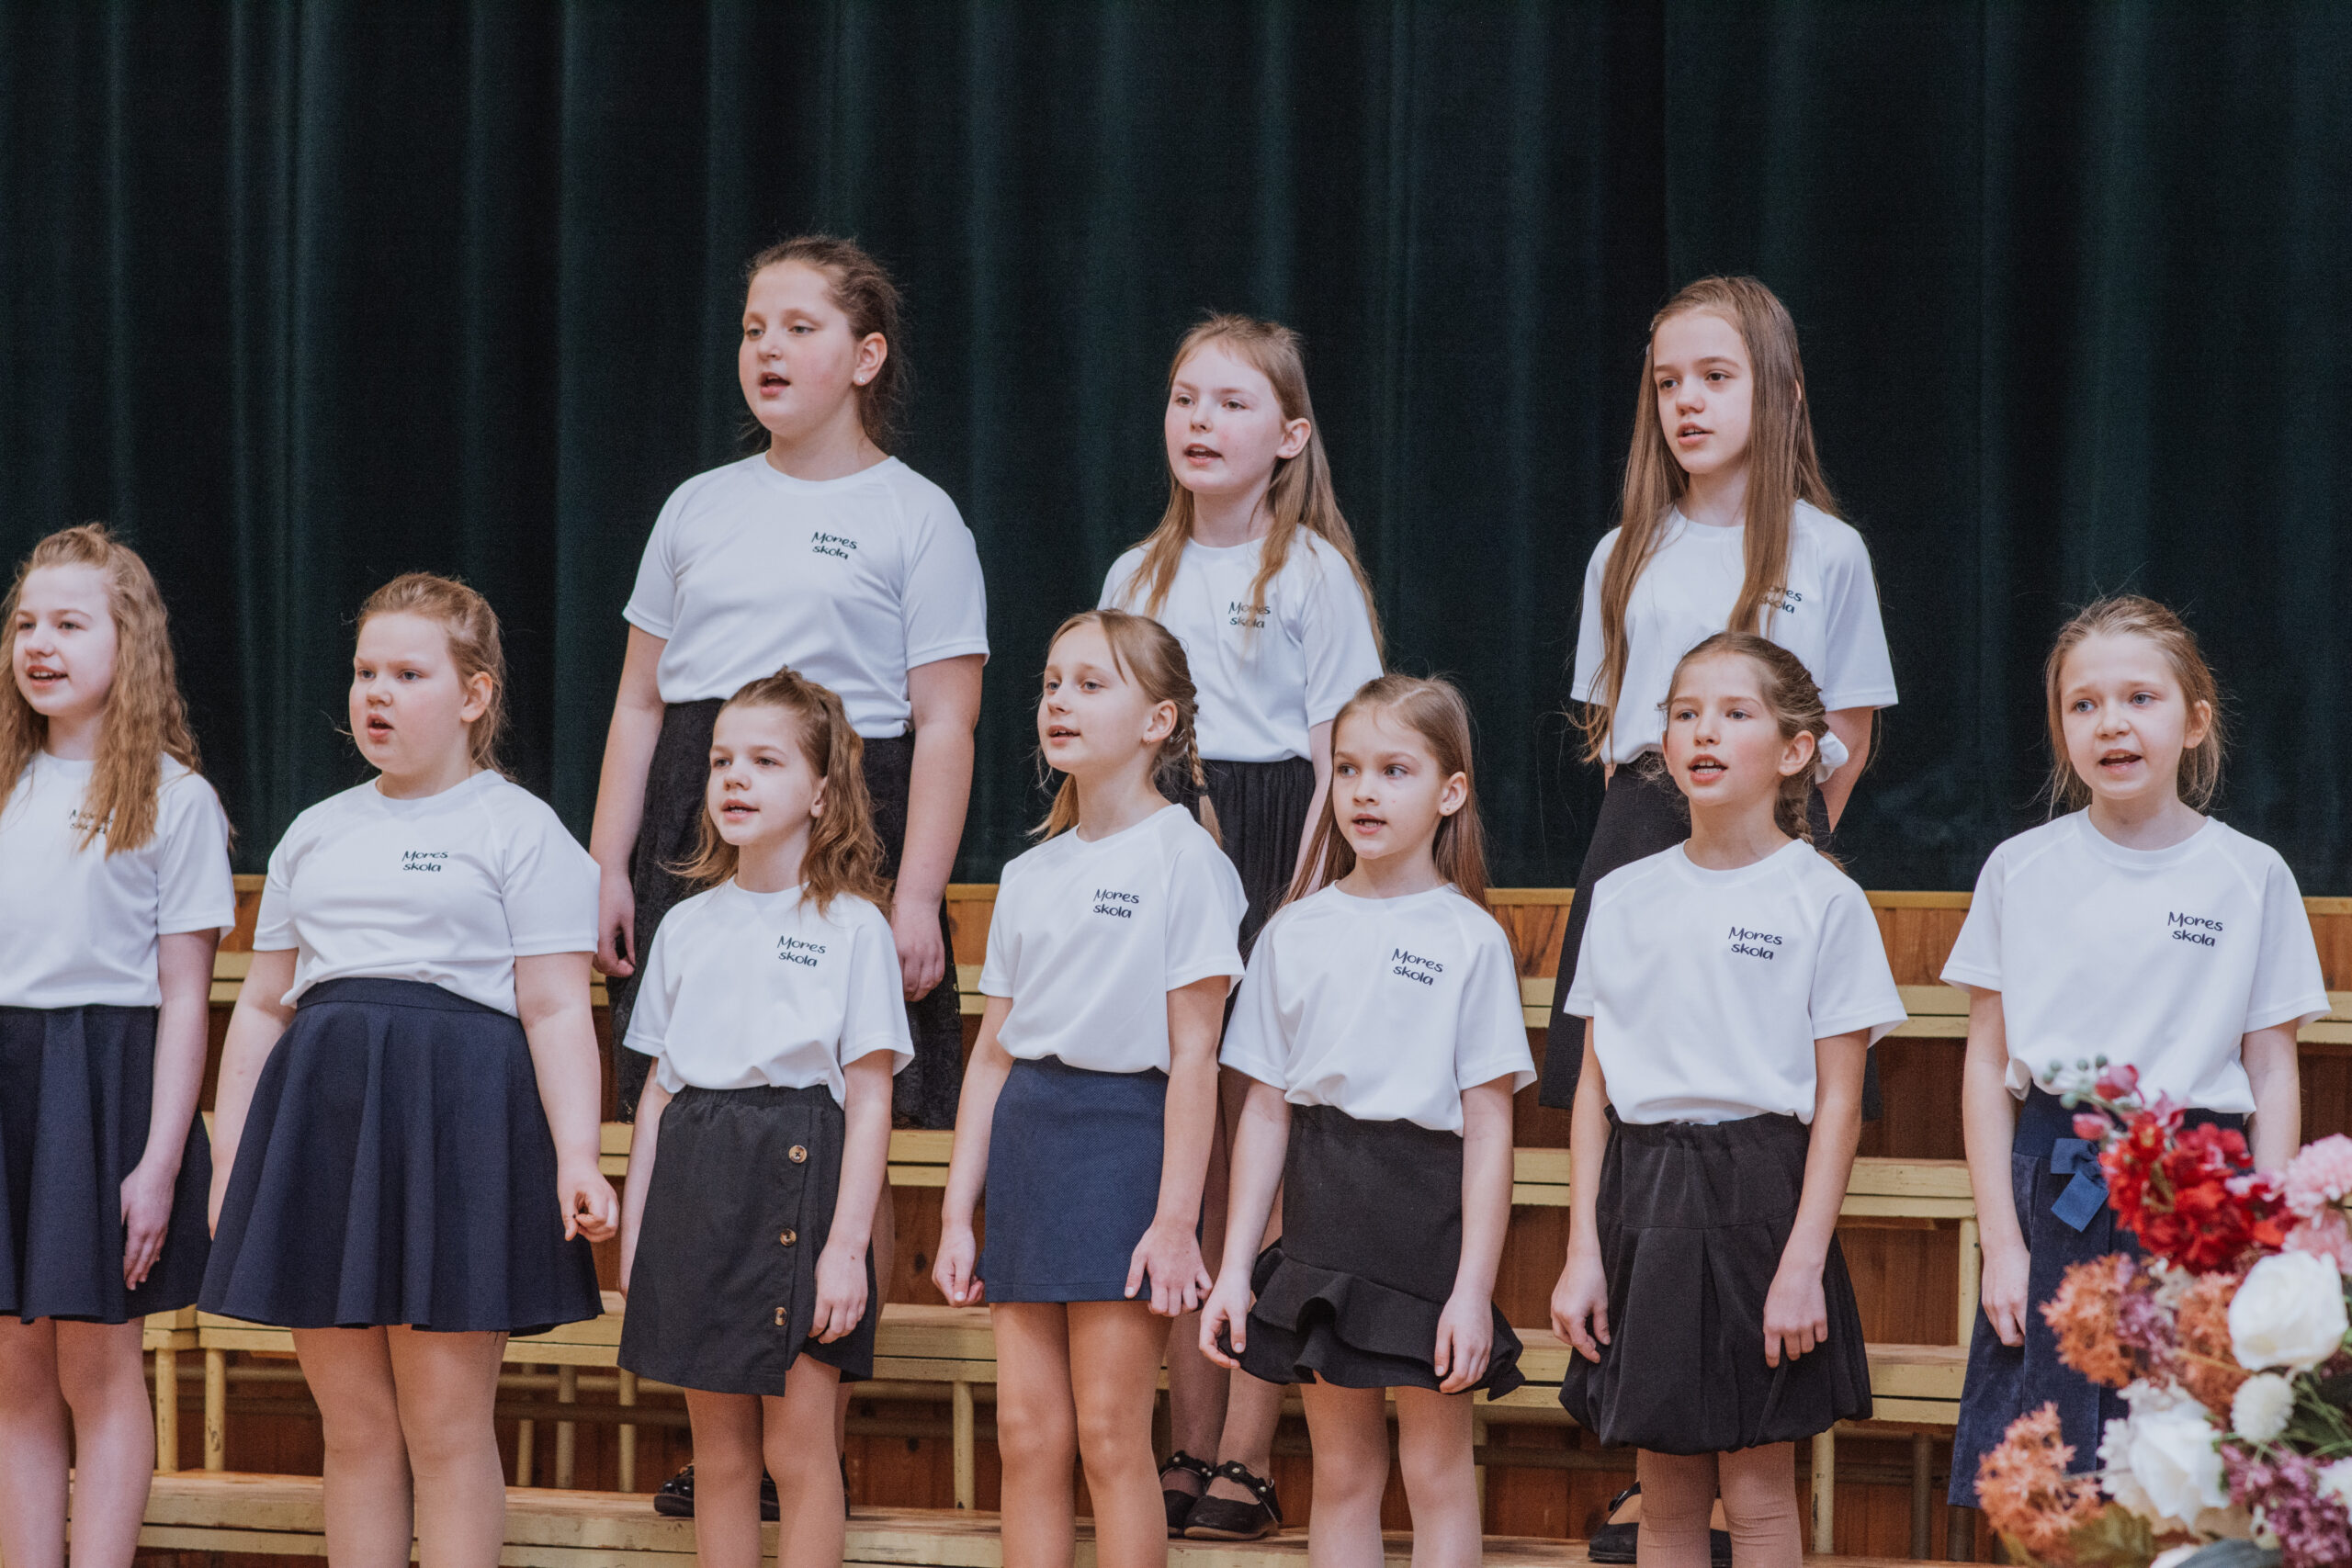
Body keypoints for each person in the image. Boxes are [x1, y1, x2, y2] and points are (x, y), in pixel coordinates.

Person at [203, 574, 615, 1568]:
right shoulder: (317, 829)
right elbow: (262, 1004)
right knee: (353, 1426)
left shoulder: (520, 828)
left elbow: (557, 1007)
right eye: (364, 673)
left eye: (407, 674)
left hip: (460, 1123)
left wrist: (578, 1155)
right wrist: (230, 1159)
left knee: (445, 1422)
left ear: (474, 694)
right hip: (326, 1124)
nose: (375, 694)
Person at [592, 233, 985, 1136]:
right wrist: (607, 862)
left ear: (866, 356)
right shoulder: (696, 505)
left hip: (850, 809)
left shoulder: (918, 515)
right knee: (689, 1090)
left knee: (852, 1094)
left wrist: (915, 896)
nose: (767, 348)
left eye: (800, 328)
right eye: (753, 329)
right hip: (701, 806)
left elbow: (945, 724)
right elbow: (640, 702)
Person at [1099, 313, 1382, 1541]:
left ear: (1290, 434)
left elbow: (1340, 758)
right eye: (1184, 398)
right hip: (1169, 846)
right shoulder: (1135, 576)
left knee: (1259, 1172)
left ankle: (1249, 1456)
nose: (1200, 421)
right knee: (1190, 1162)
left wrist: (1298, 910)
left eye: (1230, 402)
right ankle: (1187, 1435)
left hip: (1276, 848)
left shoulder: (1311, 573)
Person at [1945, 595, 2321, 1509]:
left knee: (2187, 1471)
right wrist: (2003, 1244)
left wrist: (2263, 1242)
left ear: (2193, 722)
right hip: (2057, 1184)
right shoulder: (2019, 868)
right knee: (2053, 1486)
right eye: (2083, 703)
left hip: (2200, 1189)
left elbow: (2271, 1069)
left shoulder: (2250, 874)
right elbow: (1986, 1068)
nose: (2110, 721)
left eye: (2139, 698)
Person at [1552, 633, 1904, 1568]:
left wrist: (1802, 1262)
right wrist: (1583, 1251)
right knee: (1665, 1494)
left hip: (1761, 1196)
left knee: (1755, 1490)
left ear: (1795, 750)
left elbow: (1838, 1105)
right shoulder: (1622, 896)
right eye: (1684, 712)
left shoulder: (1822, 900)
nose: (1703, 731)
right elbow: (1592, 1089)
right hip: (1644, 1195)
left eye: (1734, 713)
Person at [933, 610, 1244, 1568]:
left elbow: (1196, 1057)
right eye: (1051, 683)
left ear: (1158, 721)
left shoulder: (1187, 859)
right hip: (1031, 1142)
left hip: (1123, 1144)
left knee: (1111, 1433)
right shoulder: (1030, 871)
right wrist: (956, 1213)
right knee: (1027, 1436)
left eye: (1090, 683)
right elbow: (992, 1056)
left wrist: (1176, 1219)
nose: (1060, 701)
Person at [1542, 276, 1896, 1115]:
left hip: (1779, 827)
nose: (1687, 402)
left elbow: (1848, 731)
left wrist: (1781, 836)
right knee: (1625, 1075)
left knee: (1767, 1075)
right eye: (1668, 383)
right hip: (1641, 823)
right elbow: (1615, 728)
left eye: (1715, 377)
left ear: (1782, 392)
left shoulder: (1830, 550)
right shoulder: (1622, 554)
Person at [1201, 674, 1532, 1568]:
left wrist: (1472, 1289)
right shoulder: (1293, 931)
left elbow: (1489, 1129)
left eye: (1394, 770)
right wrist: (1233, 1270)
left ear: (1449, 792)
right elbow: (1265, 1113)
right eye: (1347, 769)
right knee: (1343, 1471)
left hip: (1425, 1232)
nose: (1364, 791)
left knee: (1436, 1471)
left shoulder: (1470, 938)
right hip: (1323, 1223)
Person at [617, 669, 909, 1568]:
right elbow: (658, 1094)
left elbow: (870, 1098)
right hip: (697, 1186)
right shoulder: (686, 924)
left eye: (765, 761)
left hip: (798, 1177)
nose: (735, 778)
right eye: (721, 761)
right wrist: (637, 1235)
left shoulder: (854, 927)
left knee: (798, 1450)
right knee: (720, 1458)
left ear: (821, 791)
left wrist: (846, 1248)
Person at [0, 525, 233, 1568]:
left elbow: (186, 999)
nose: (39, 644)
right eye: (25, 623)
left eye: (68, 623)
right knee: (14, 1368)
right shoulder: (5, 782)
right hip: (10, 1077)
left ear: (127, 641)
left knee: (97, 1366)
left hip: (102, 1088)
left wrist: (159, 1161)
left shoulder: (175, 800)